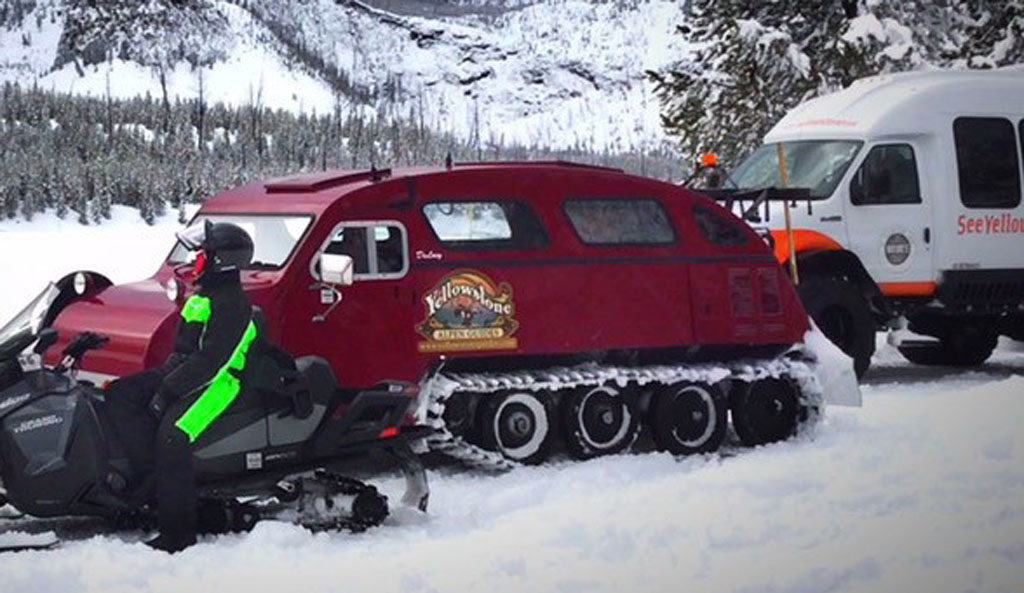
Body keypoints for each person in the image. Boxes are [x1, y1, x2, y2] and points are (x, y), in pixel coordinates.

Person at [105, 220, 258, 553]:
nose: (194, 262)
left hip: (219, 382)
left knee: (173, 436)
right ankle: (143, 483)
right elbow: (186, 353)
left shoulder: (230, 302)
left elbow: (213, 361)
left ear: (221, 261)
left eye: (201, 256)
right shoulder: (207, 294)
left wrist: (167, 392)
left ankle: (178, 532)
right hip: (184, 372)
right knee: (119, 396)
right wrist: (160, 382)